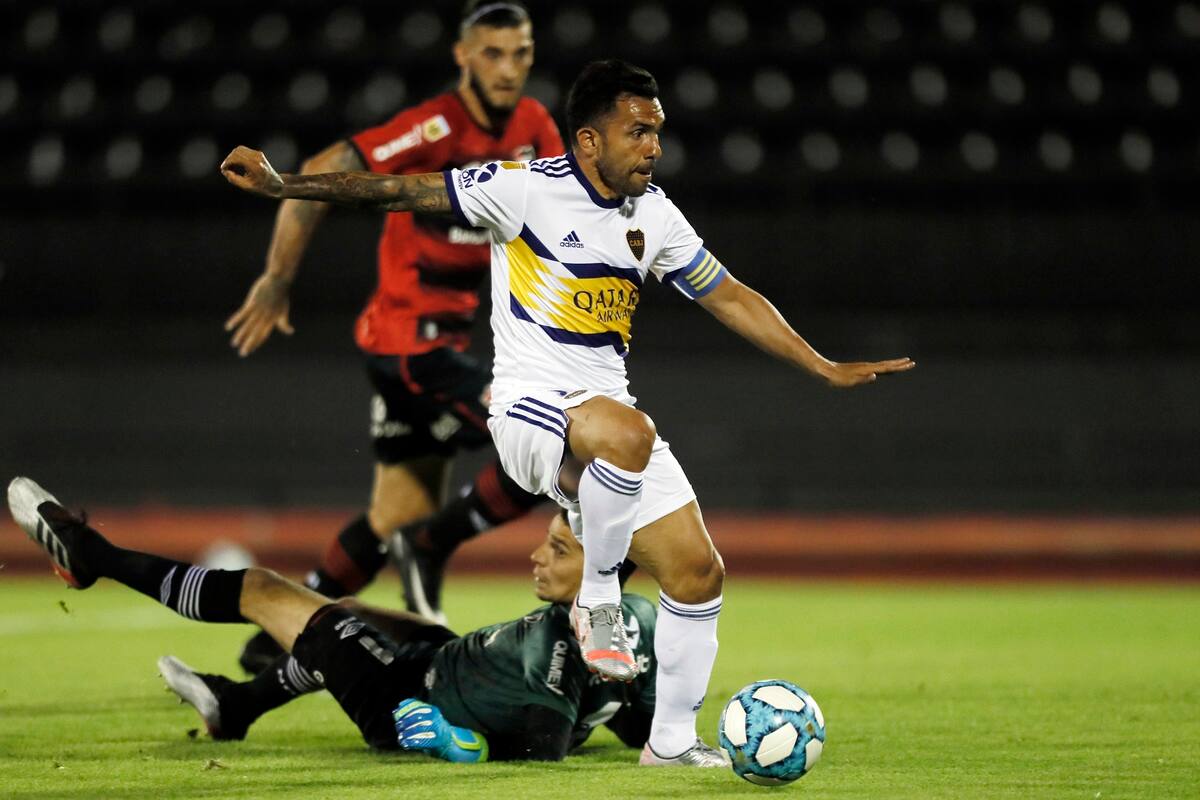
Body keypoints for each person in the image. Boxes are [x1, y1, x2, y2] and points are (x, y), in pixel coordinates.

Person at [219, 58, 915, 765]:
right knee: (627, 433)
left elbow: (729, 295)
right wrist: (286, 185)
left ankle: (670, 743)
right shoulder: (523, 189)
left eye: (658, 132)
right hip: (529, 411)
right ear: (587, 141)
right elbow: (400, 189)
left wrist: (820, 364)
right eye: (638, 131)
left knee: (698, 573)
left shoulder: (656, 215)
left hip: (608, 421)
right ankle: (598, 595)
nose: (654, 146)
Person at [224, 1, 565, 670]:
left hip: (433, 347)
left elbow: (567, 210)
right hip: (410, 345)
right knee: (542, 443)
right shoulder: (435, 125)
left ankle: (274, 636)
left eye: (520, 53)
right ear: (462, 57)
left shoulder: (533, 127)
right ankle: (433, 546)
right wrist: (276, 279)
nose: (508, 68)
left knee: (390, 518)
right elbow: (320, 172)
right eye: (492, 53)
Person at [7, 476, 662, 763]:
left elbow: (540, 744)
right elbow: (632, 719)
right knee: (362, 617)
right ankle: (236, 706)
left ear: (604, 560)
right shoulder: (637, 620)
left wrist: (457, 744)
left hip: (406, 700)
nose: (535, 554)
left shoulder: (551, 643)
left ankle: (97, 559)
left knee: (291, 608)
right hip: (441, 659)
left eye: (559, 549)